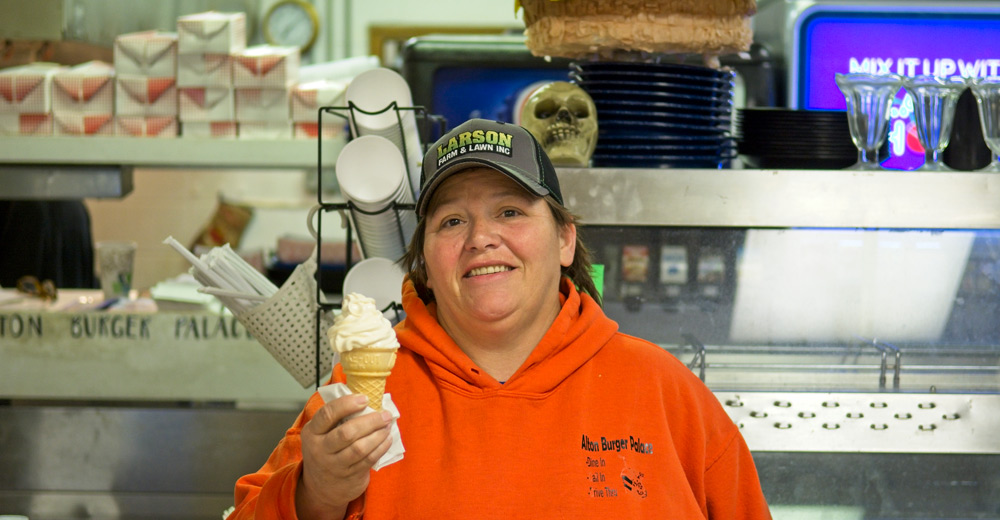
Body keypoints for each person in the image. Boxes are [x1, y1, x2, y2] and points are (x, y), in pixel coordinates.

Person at [228, 119, 772, 519]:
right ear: (425, 260)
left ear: (564, 239)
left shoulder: (665, 393)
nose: (480, 238)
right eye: (452, 220)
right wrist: (314, 493)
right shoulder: (357, 397)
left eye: (510, 211)